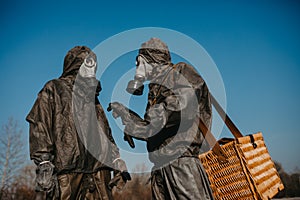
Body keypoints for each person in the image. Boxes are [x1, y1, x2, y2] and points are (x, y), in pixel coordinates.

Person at [108, 38, 214, 199]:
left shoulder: (180, 72)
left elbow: (181, 106)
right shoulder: (156, 88)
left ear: (145, 59)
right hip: (161, 168)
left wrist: (139, 127)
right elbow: (154, 128)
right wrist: (126, 116)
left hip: (181, 165)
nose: (136, 67)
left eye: (137, 63)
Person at [26, 46, 130, 200]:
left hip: (99, 173)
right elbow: (40, 124)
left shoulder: (93, 97)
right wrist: (44, 162)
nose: (93, 67)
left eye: (95, 63)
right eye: (89, 62)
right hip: (68, 170)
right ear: (76, 63)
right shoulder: (54, 88)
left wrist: (116, 159)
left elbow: (104, 130)